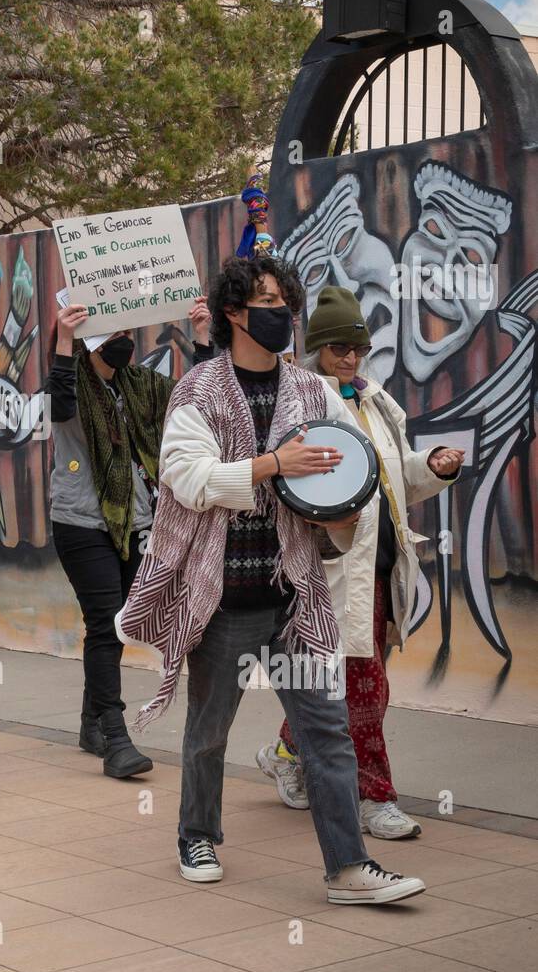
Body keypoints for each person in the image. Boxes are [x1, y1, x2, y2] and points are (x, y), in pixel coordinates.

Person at [117, 255, 426, 906]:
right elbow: (191, 479)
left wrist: (342, 510)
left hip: (294, 598)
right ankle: (195, 835)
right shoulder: (198, 391)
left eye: (287, 300)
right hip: (223, 600)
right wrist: (271, 464)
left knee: (326, 729)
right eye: (267, 300)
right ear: (233, 312)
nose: (281, 312)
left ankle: (348, 867)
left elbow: (351, 473)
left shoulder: (314, 394)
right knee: (208, 730)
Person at [257, 287, 463, 839]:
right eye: (339, 347)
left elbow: (396, 481)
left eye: (358, 347)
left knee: (340, 684)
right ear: (317, 348)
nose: (350, 357)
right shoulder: (300, 404)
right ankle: (374, 799)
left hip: (379, 571)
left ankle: (284, 751)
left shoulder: (377, 402)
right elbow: (291, 490)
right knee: (365, 690)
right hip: (330, 575)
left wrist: (435, 467)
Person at [45, 305, 173, 777]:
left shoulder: (139, 385)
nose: (123, 338)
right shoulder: (72, 382)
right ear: (91, 340)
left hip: (136, 521)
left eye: (126, 329)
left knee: (118, 626)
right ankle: (117, 740)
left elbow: (191, 404)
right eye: (112, 332)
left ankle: (89, 722)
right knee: (103, 624)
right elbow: (58, 404)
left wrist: (203, 340)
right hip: (81, 524)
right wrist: (63, 338)